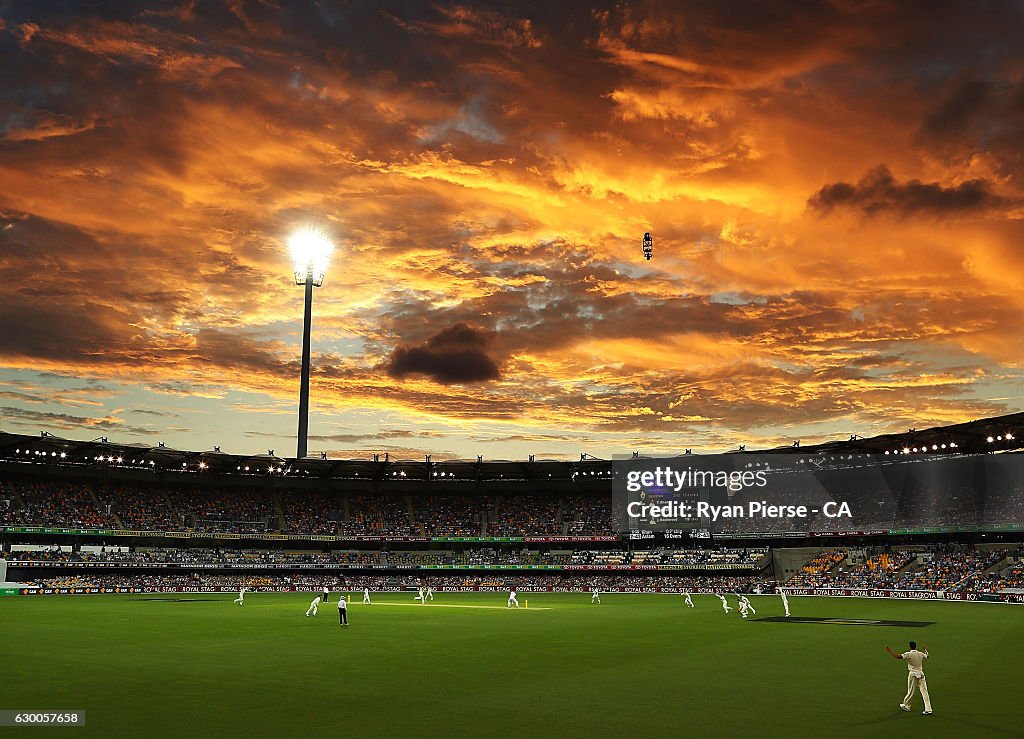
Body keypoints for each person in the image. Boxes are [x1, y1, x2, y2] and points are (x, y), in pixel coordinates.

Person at [886, 641, 932, 715]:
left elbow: (898, 656)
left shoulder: (909, 654)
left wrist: (890, 651)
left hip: (913, 674)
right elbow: (927, 655)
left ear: (910, 646)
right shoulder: (920, 653)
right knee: (924, 692)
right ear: (915, 646)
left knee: (911, 691)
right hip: (921, 674)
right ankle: (928, 708)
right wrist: (925, 649)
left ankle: (907, 705)